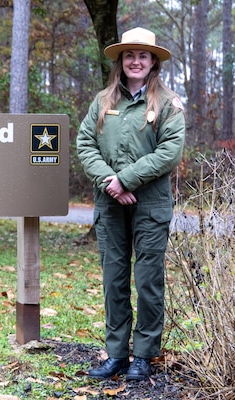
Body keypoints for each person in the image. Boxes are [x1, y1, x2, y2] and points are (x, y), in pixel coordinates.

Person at [76, 27, 185, 381]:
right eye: (129, 55)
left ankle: (144, 355)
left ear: (154, 61)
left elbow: (170, 151)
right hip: (110, 204)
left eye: (143, 55)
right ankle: (117, 354)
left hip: (151, 204)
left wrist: (128, 179)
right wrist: (112, 182)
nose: (135, 61)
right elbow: (84, 145)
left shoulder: (167, 104)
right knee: (114, 280)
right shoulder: (103, 102)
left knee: (148, 280)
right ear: (120, 62)